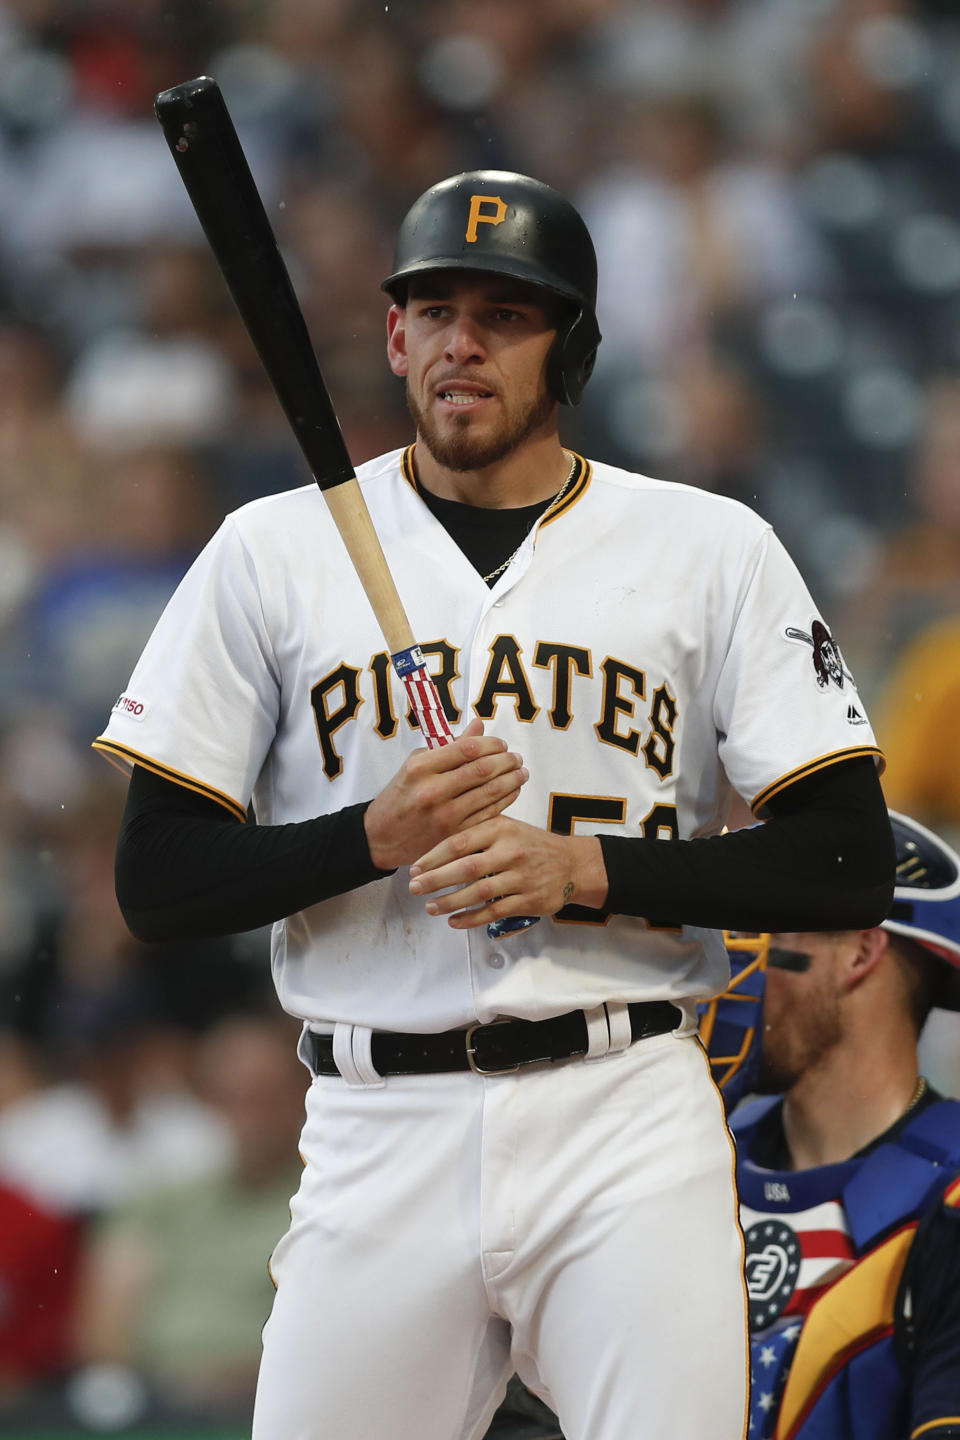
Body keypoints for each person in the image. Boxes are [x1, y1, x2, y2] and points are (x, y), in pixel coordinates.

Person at [93, 170, 894, 1440]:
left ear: (569, 348)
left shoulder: (707, 544)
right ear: (396, 335)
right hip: (374, 1119)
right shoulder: (272, 549)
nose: (463, 340)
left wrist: (588, 871)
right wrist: (370, 838)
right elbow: (157, 880)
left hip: (622, 1105)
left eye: (506, 312)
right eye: (435, 308)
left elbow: (848, 860)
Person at [701, 810, 960, 1440]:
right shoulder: (695, 1154)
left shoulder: (948, 1200)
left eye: (764, 931)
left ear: (860, 951)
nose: (732, 965)